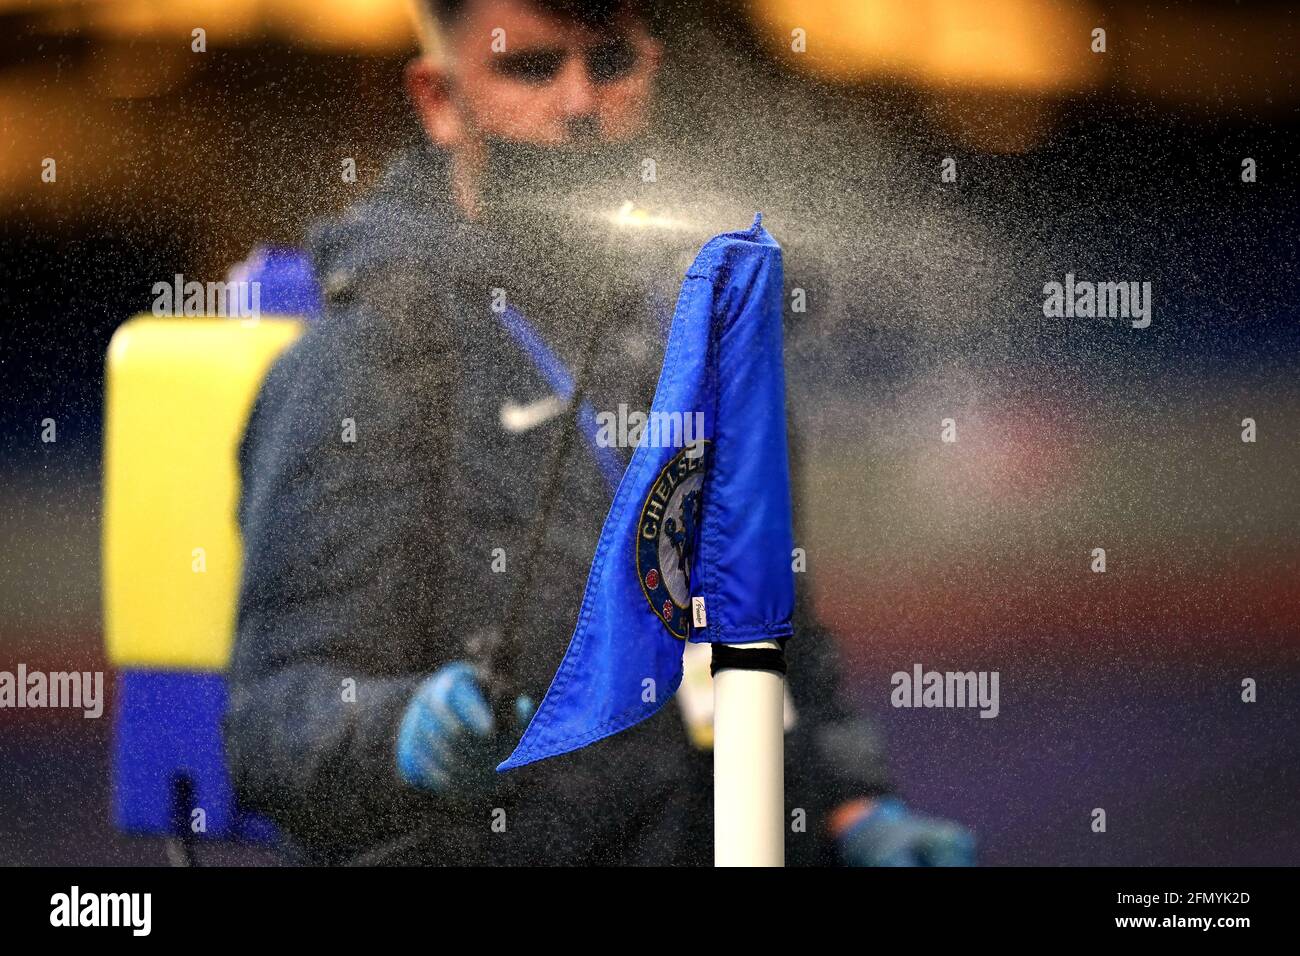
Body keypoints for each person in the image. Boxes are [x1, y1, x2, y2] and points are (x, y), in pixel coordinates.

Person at [224, 0, 974, 866]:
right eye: (533, 68)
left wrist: (852, 807)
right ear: (438, 99)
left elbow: (777, 638)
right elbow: (271, 724)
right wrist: (400, 731)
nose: (581, 102)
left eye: (610, 61)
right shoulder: (371, 357)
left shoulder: (706, 329)